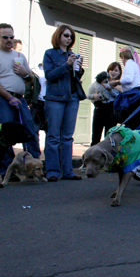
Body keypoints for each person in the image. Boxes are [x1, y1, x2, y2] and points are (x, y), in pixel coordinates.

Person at [43, 24, 86, 182]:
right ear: (59, 36)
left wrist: (79, 68)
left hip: (72, 97)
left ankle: (68, 171)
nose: (69, 39)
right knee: (54, 136)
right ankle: (53, 171)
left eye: (71, 37)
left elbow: (74, 78)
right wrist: (66, 65)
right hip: (55, 98)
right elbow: (50, 75)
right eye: (66, 35)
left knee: (67, 137)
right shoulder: (50, 54)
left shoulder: (72, 54)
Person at [0, 23, 40, 179]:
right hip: (4, 98)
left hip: (20, 98)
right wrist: (9, 98)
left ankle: (34, 167)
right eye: (5, 37)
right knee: (6, 135)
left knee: (29, 131)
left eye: (12, 37)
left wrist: (25, 73)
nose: (9, 40)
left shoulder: (19, 56)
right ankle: (7, 171)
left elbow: (30, 79)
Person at [111, 46, 140, 130]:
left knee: (131, 124)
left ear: (124, 57)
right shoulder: (135, 65)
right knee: (134, 125)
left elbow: (128, 79)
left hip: (135, 98)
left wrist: (117, 82)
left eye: (121, 59)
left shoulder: (129, 64)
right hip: (139, 97)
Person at [87, 62, 122, 145]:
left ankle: (107, 156)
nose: (113, 72)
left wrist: (111, 88)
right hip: (99, 109)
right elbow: (90, 95)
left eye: (116, 70)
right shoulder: (100, 82)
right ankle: (93, 156)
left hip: (112, 111)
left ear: (120, 72)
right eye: (111, 70)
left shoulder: (120, 84)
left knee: (109, 137)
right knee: (96, 136)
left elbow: (119, 97)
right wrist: (94, 96)